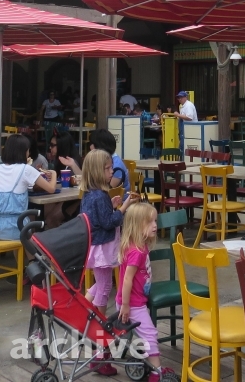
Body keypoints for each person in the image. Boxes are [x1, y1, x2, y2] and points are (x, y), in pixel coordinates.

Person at [116, 203, 175, 382]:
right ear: (137, 225)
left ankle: (149, 364)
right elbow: (127, 279)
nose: (155, 225)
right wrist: (126, 305)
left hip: (136, 301)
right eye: (149, 222)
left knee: (142, 334)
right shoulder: (137, 252)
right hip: (133, 304)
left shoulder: (140, 246)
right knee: (150, 334)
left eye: (155, 221)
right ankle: (156, 373)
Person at [80, 149, 137, 318]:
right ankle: (100, 322)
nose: (112, 171)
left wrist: (110, 206)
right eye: (107, 168)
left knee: (100, 283)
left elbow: (96, 217)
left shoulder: (89, 194)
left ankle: (83, 310)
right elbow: (109, 222)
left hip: (94, 244)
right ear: (97, 171)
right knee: (105, 286)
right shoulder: (100, 196)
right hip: (102, 246)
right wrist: (124, 207)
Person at [0, 134, 56, 241]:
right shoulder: (26, 169)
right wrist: (54, 173)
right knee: (32, 234)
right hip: (17, 230)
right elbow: (51, 189)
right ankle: (33, 252)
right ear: (24, 152)